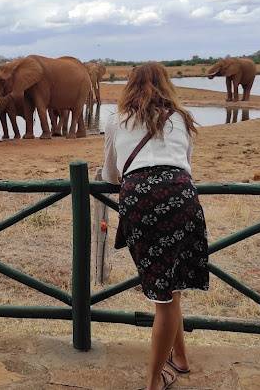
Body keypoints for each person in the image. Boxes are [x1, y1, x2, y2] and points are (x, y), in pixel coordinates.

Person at [102, 63, 209, 390]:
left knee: (163, 294)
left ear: (129, 87)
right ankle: (181, 358)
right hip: (182, 197)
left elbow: (109, 175)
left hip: (139, 200)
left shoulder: (116, 120)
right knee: (169, 286)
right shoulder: (181, 118)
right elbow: (186, 165)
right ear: (167, 85)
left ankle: (152, 381)